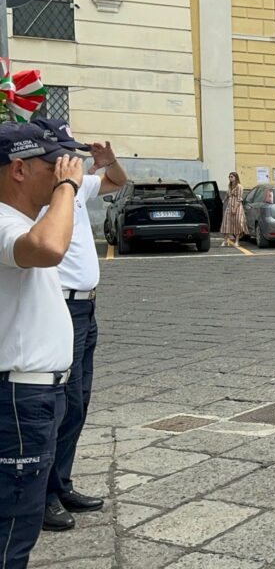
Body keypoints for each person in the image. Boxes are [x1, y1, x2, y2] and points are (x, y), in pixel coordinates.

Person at [32, 118, 127, 531]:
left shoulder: (76, 187)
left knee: (78, 402)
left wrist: (110, 161)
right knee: (58, 403)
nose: (75, 160)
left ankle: (61, 483)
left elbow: (118, 182)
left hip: (86, 308)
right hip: (60, 305)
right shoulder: (42, 193)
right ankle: (43, 496)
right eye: (67, 153)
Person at [0, 122, 84, 569]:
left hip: (33, 392)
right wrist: (69, 187)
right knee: (12, 527)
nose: (61, 173)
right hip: (18, 397)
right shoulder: (3, 221)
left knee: (20, 520)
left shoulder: (19, 221)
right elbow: (49, 247)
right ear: (19, 169)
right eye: (53, 166)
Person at [221, 171, 248, 246]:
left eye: (231, 177)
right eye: (229, 177)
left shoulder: (239, 187)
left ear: (236, 177)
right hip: (229, 206)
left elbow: (239, 199)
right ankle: (225, 240)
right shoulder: (229, 186)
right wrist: (223, 200)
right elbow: (227, 194)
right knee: (226, 223)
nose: (230, 178)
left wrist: (235, 208)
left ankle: (237, 241)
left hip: (237, 207)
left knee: (237, 223)